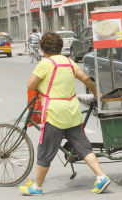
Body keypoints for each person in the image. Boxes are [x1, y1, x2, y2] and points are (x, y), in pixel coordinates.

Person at [19, 32, 111, 195]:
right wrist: (96, 93)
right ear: (60, 47)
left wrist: (43, 86)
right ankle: (101, 176)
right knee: (83, 146)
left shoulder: (46, 64)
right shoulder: (69, 62)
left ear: (43, 49)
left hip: (55, 113)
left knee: (45, 149)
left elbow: (30, 84)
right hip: (72, 111)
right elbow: (86, 79)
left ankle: (37, 187)